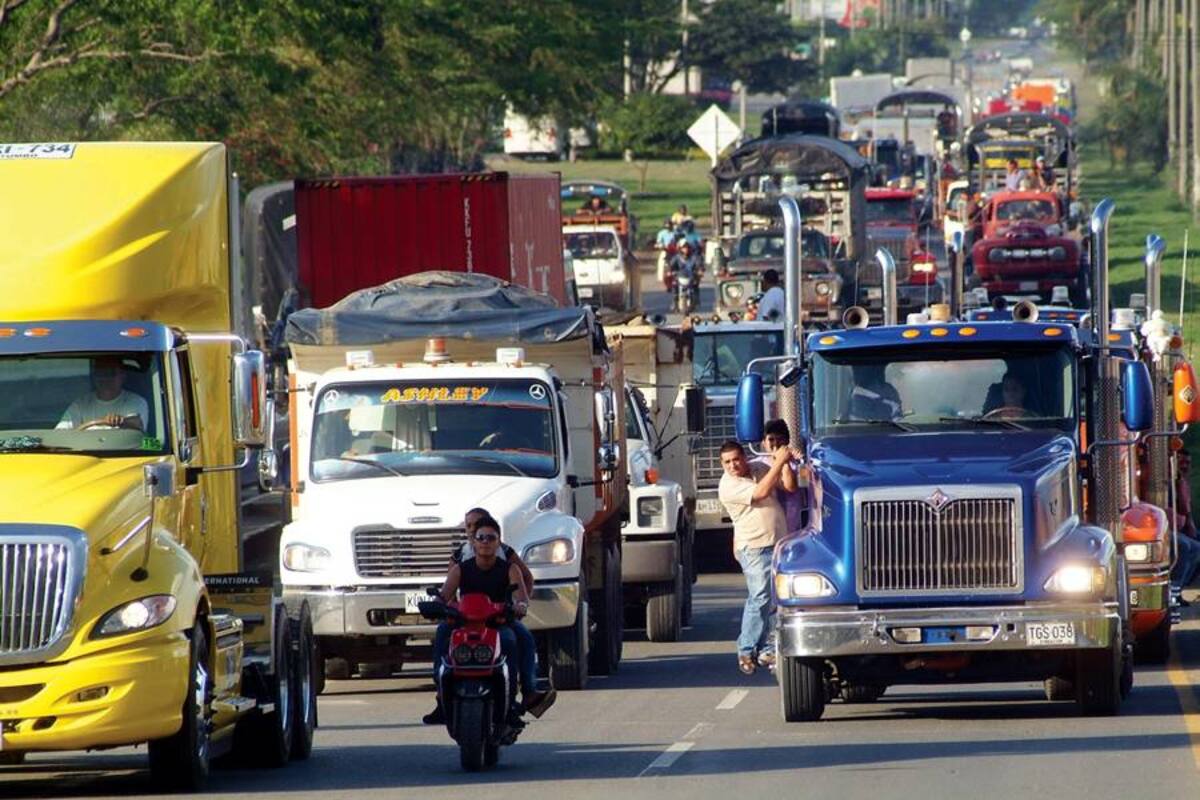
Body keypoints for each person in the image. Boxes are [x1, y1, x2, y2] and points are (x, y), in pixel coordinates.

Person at [425, 509, 552, 724]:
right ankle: (441, 696)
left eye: (490, 538)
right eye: (479, 537)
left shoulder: (510, 567)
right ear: (473, 541)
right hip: (465, 623)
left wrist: (520, 606)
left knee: (519, 639)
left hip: (498, 622)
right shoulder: (460, 567)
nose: (485, 542)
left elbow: (522, 594)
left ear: (498, 541)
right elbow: (445, 594)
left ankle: (519, 697)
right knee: (442, 633)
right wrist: (435, 606)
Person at [718, 440, 794, 674]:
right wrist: (778, 460)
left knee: (777, 599)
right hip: (754, 548)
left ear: (744, 457)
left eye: (736, 459)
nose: (733, 465)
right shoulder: (729, 486)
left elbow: (789, 487)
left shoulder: (759, 469)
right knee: (760, 596)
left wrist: (784, 462)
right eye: (727, 462)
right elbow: (761, 493)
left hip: (778, 544)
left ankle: (766, 649)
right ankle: (746, 648)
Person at [57, 355, 148, 431]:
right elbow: (60, 434)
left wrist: (121, 421)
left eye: (111, 373)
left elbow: (138, 426)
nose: (106, 378)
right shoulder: (80, 405)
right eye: (101, 373)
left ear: (123, 376)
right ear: (94, 377)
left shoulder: (136, 402)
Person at [753, 419, 808, 534]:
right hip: (769, 530)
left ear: (787, 441)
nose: (776, 443)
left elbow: (804, 487)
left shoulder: (799, 464)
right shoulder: (756, 465)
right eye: (771, 439)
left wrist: (802, 463)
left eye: (780, 439)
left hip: (793, 527)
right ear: (763, 442)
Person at [1172, 450, 1200, 603]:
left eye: (1188, 463)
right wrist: (1190, 525)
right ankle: (1175, 589)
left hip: (1180, 528)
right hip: (1171, 530)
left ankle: (1180, 586)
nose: (1185, 466)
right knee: (1188, 546)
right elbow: (1183, 507)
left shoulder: (1182, 481)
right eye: (1182, 462)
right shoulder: (1172, 482)